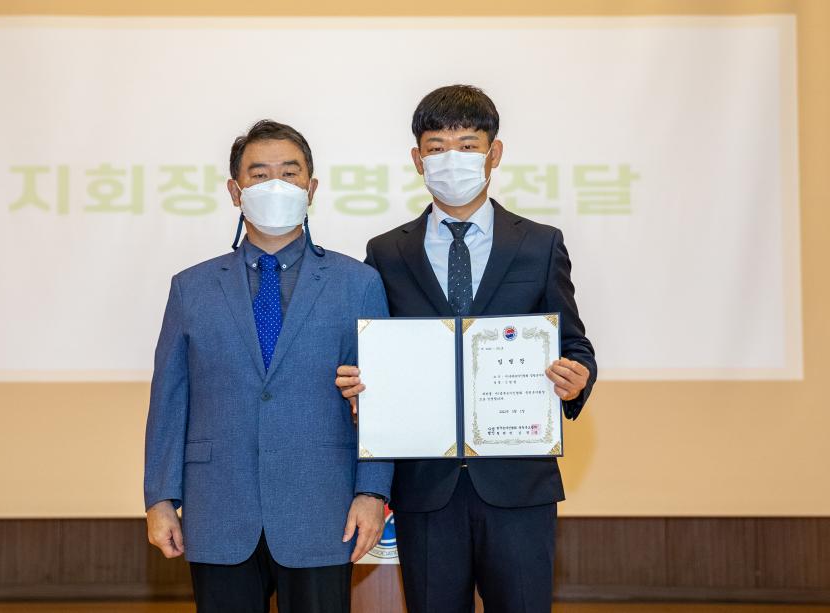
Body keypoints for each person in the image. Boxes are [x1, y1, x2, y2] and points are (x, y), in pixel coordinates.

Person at [336, 85, 597, 613]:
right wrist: (358, 381)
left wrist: (578, 377)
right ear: (417, 160)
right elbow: (376, 350)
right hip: (425, 488)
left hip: (518, 483)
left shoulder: (540, 243)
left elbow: (573, 342)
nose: (451, 159)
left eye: (468, 145)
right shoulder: (386, 252)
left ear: (494, 153)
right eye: (437, 148)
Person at [145, 120, 393, 613]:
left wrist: (372, 491)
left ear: (311, 188)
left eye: (289, 173)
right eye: (259, 175)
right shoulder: (191, 288)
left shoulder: (358, 283)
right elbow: (169, 400)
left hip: (322, 505)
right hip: (218, 506)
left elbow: (381, 399)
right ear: (235, 191)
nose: (275, 185)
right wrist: (159, 498)